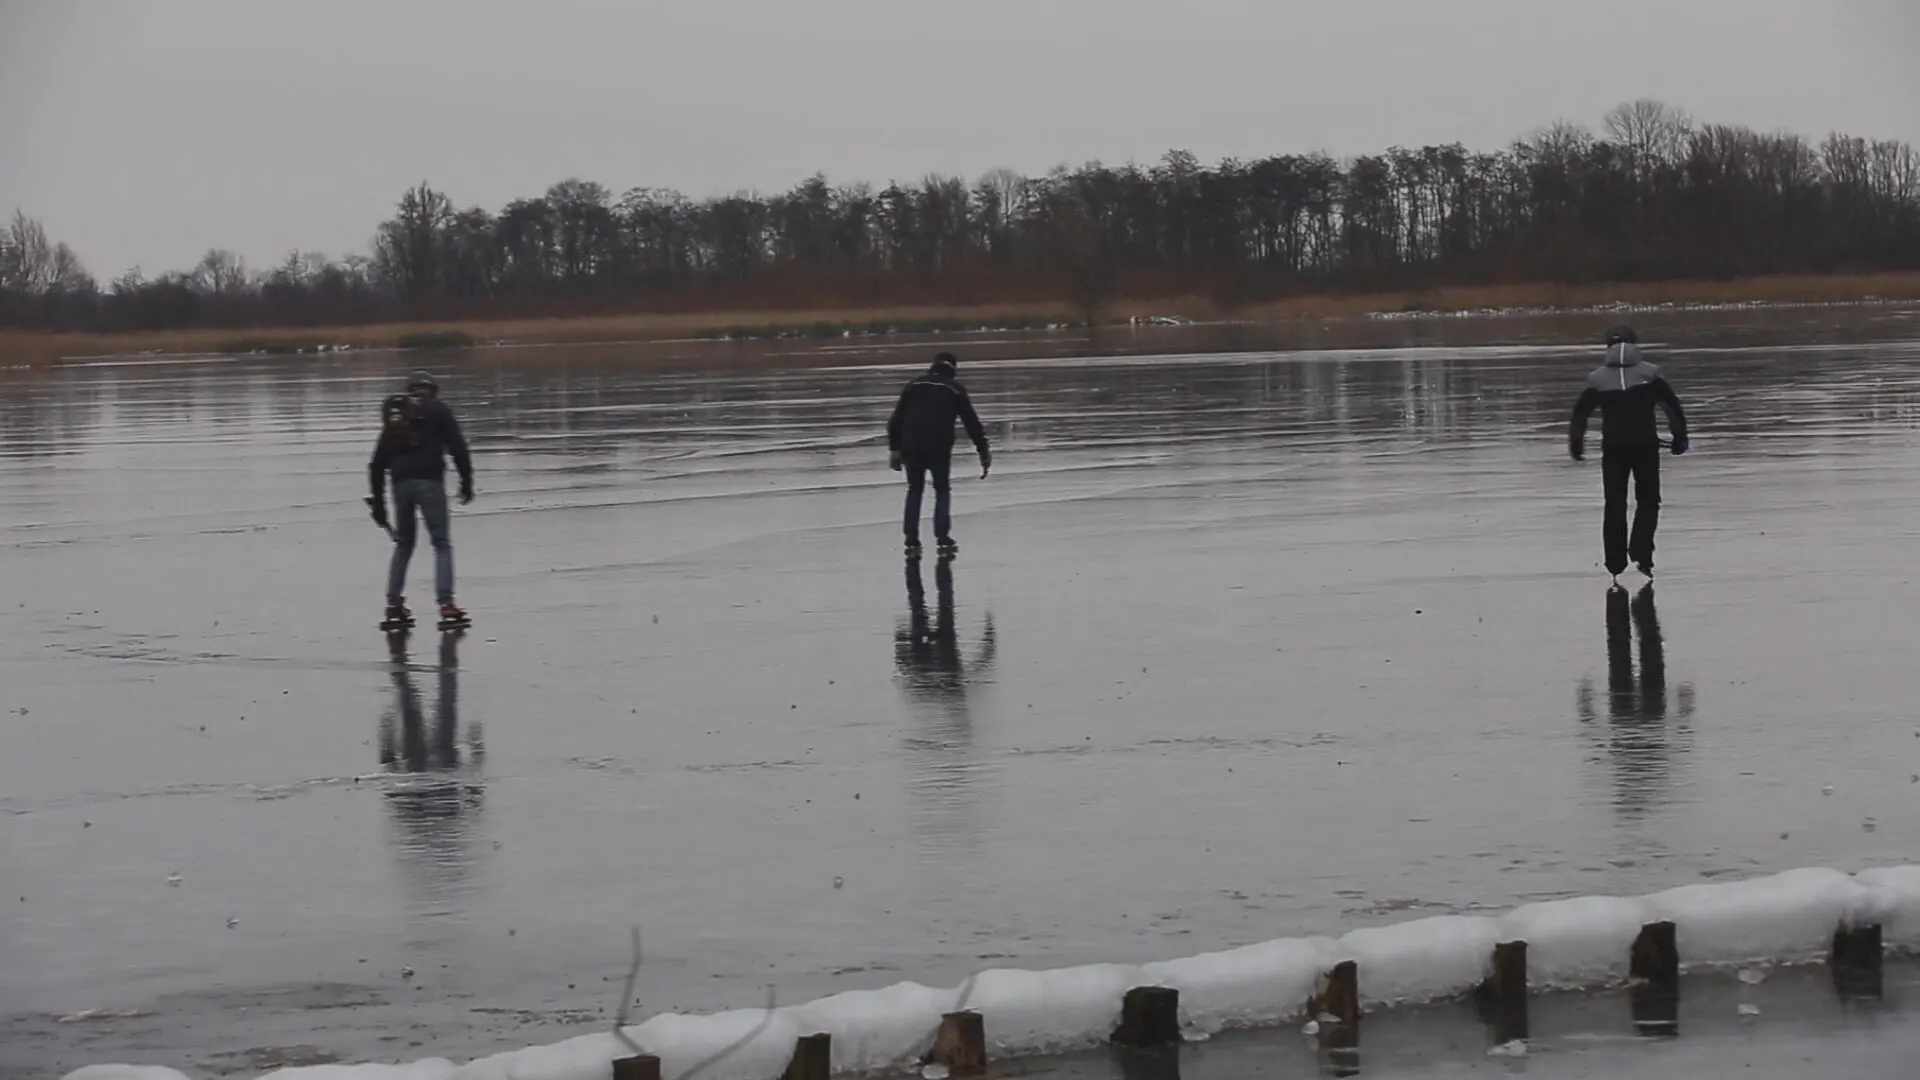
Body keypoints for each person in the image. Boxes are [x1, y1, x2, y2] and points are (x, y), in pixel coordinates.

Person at [1569, 326, 1689, 579]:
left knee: (1614, 504)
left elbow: (1581, 414)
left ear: (1607, 347)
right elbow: (1671, 407)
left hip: (1613, 449)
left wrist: (1576, 443)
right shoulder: (1650, 375)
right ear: (1635, 345)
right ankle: (1642, 551)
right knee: (1648, 500)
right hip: (1645, 446)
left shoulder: (1598, 379)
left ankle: (1615, 561)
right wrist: (1680, 437)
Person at [368, 371, 474, 628]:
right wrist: (466, 481)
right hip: (430, 482)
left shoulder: (396, 417)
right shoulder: (439, 410)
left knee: (404, 545)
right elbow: (458, 447)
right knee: (441, 543)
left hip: (400, 485)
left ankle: (394, 606)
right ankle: (446, 605)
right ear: (433, 390)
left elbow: (376, 464)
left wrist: (379, 504)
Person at [886, 352, 991, 558]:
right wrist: (983, 450)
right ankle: (942, 536)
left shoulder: (913, 386)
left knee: (914, 489)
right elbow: (972, 423)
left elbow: (895, 420)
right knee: (942, 490)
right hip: (939, 447)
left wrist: (895, 449)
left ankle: (911, 537)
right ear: (953, 369)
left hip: (911, 446)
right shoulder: (954, 389)